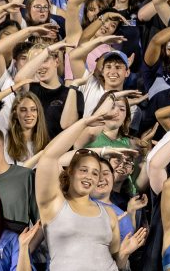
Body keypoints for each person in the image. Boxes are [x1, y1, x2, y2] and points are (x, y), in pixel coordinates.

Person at [35, 111, 147, 270]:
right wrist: (85, 124)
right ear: (71, 172)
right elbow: (49, 157)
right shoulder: (55, 203)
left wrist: (124, 253)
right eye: (84, 170)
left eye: (96, 173)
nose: (90, 176)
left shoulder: (109, 214)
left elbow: (117, 263)